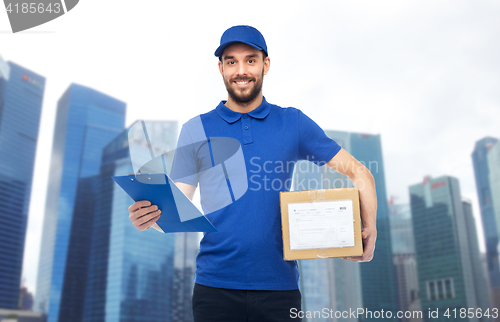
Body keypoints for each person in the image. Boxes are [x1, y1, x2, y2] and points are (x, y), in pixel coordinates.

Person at [128, 25, 377, 322]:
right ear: (220, 68)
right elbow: (177, 210)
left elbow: (360, 171)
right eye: (231, 61)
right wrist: (149, 219)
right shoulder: (195, 129)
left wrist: (370, 226)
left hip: (280, 289)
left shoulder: (292, 122)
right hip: (213, 289)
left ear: (265, 65)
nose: (241, 70)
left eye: (250, 60)